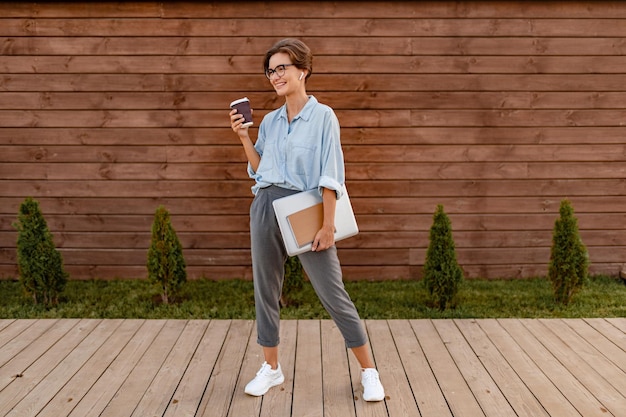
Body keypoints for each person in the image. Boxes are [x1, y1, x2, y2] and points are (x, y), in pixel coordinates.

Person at [229, 38, 385, 402]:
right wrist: (244, 137)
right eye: (271, 70)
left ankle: (369, 371)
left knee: (333, 294)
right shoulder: (268, 121)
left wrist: (328, 224)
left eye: (282, 67)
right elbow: (259, 170)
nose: (275, 75)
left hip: (304, 209)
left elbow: (330, 175)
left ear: (303, 70)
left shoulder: (323, 117)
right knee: (265, 291)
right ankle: (271, 368)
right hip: (265, 206)